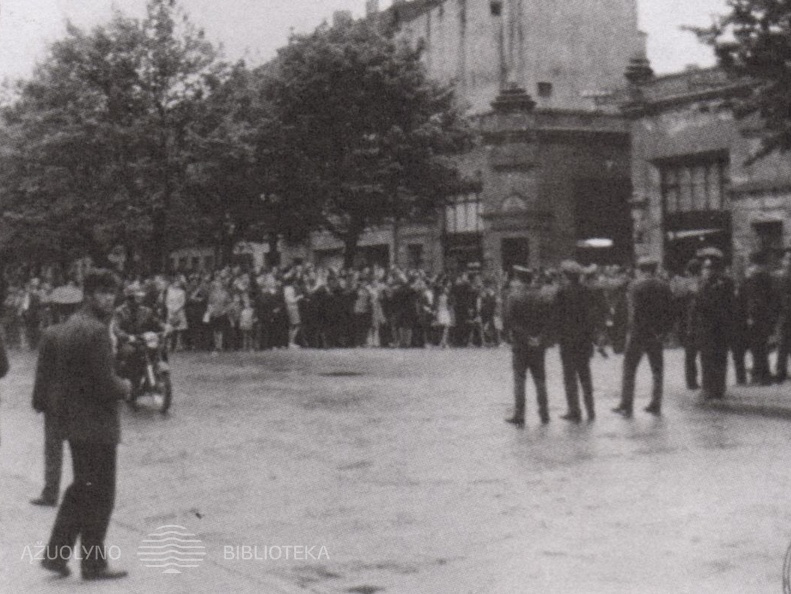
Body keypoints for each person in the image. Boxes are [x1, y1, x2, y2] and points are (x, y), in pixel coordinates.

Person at [40, 269, 131, 581]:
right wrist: (126, 387)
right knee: (101, 494)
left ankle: (56, 556)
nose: (109, 298)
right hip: (97, 424)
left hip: (76, 423)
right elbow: (104, 383)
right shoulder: (95, 330)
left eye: (111, 292)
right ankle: (93, 563)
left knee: (81, 489)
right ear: (90, 295)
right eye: (103, 292)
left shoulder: (72, 325)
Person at [30, 297, 82, 507]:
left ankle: (51, 493)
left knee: (53, 448)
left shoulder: (50, 334)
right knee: (81, 447)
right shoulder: (87, 333)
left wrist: (37, 399)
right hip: (80, 399)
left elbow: (42, 371)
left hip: (55, 400)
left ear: (57, 310)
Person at [613, 257, 674, 417]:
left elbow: (634, 312)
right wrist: (663, 332)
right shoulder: (664, 286)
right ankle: (656, 403)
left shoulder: (635, 285)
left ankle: (626, 404)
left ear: (641, 269)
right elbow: (670, 312)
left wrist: (630, 330)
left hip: (638, 334)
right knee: (657, 370)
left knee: (629, 369)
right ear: (655, 268)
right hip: (656, 335)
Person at [504, 266, 553, 427]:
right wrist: (539, 337)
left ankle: (520, 414)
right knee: (540, 380)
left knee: (519, 379)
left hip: (521, 345)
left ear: (518, 279)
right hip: (538, 345)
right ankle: (544, 413)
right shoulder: (541, 296)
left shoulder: (514, 297)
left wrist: (526, 337)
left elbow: (510, 321)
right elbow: (548, 320)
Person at [554, 260, 597, 422]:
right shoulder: (587, 291)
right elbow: (591, 317)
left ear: (566, 275)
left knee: (569, 376)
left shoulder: (562, 292)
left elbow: (556, 316)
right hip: (584, 341)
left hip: (567, 341)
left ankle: (574, 410)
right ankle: (591, 410)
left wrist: (557, 336)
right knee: (585, 375)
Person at [692, 250, 735, 400]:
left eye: (708, 267)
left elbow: (707, 304)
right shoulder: (714, 282)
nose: (706, 270)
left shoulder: (718, 283)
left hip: (714, 326)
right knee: (713, 357)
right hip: (714, 326)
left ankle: (713, 388)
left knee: (713, 357)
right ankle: (714, 387)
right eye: (706, 268)